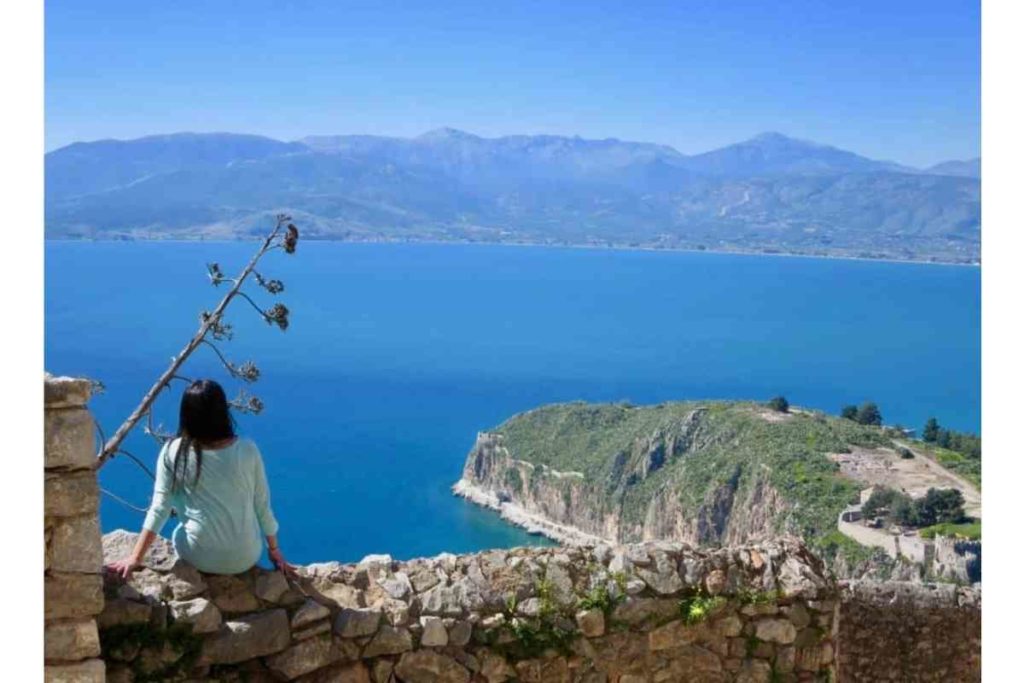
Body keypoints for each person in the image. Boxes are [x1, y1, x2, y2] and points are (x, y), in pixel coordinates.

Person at [106, 379, 294, 578]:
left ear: (186, 413)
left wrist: (135, 558)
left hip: (199, 556)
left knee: (179, 530)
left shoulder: (174, 451)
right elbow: (262, 505)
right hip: (246, 557)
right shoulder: (247, 449)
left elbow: (160, 508)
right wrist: (274, 551)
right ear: (223, 410)